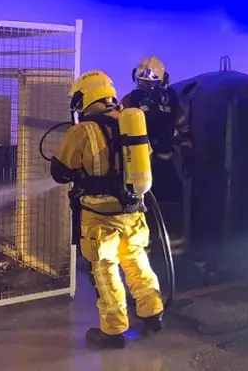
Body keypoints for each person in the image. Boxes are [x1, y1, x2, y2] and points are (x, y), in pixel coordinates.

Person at [50, 70, 164, 349]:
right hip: (134, 209)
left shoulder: (82, 130)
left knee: (106, 269)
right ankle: (152, 313)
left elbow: (60, 172)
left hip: (100, 216)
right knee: (137, 261)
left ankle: (113, 331)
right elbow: (144, 158)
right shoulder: (130, 123)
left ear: (85, 97)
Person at [121, 56, 193, 239]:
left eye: (150, 84)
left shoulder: (172, 100)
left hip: (167, 162)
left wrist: (188, 153)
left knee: (172, 202)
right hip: (139, 164)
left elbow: (184, 128)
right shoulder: (130, 101)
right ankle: (146, 246)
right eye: (142, 83)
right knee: (141, 203)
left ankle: (172, 246)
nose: (145, 89)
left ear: (162, 82)